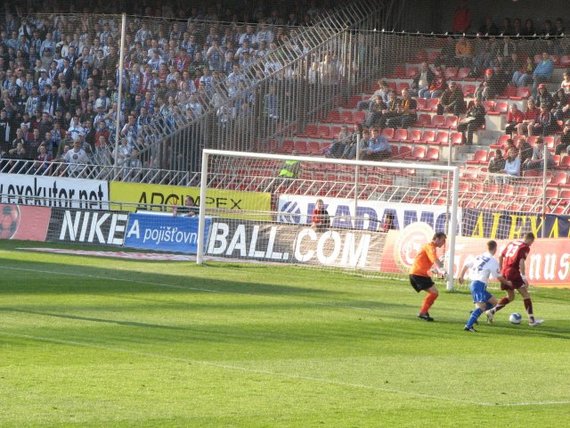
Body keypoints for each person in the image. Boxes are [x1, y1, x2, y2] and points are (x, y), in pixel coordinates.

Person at [485, 232, 544, 326]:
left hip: (504, 271)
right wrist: (524, 277)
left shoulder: (512, 243)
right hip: (513, 272)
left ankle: (492, 311)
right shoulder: (525, 247)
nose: (531, 244)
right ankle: (532, 321)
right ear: (530, 239)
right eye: (532, 242)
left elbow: (500, 256)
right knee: (526, 295)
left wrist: (500, 269)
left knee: (511, 297)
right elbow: (521, 262)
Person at [458, 240, 512, 332]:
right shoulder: (492, 260)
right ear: (495, 249)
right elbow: (498, 276)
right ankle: (468, 326)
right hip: (479, 285)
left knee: (494, 302)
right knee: (482, 307)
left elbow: (466, 265)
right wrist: (507, 283)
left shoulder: (479, 257)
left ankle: (475, 313)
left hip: (474, 284)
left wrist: (461, 276)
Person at [409, 232, 447, 322]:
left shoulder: (430, 247)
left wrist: (437, 270)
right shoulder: (430, 246)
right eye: (443, 240)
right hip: (417, 274)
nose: (444, 242)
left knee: (434, 293)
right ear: (436, 238)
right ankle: (423, 312)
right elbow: (434, 259)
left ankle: (424, 312)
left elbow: (430, 261)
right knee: (434, 293)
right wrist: (442, 269)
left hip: (420, 274)